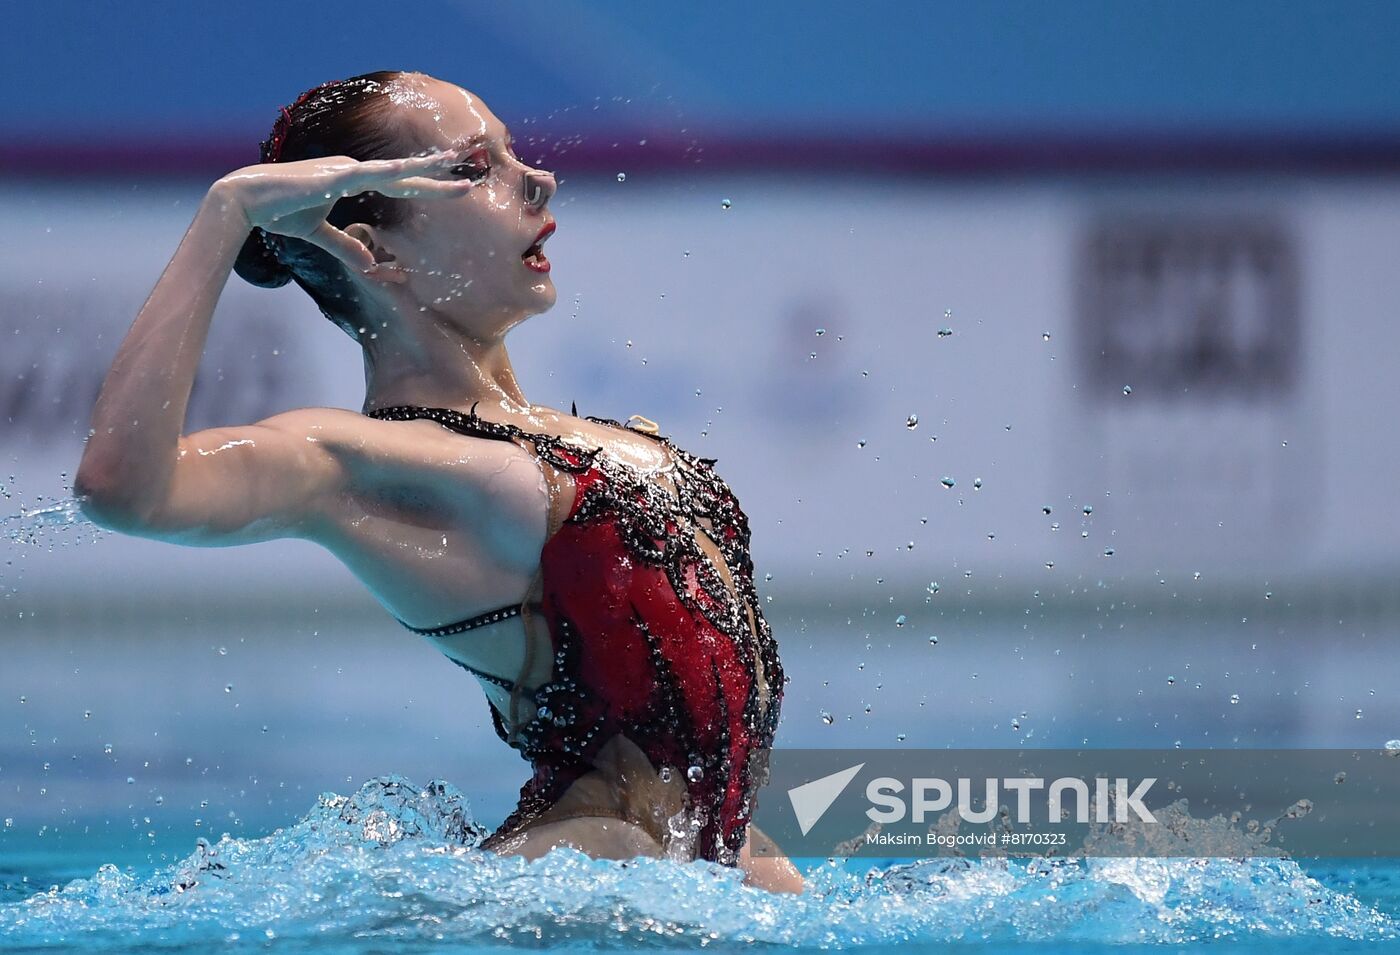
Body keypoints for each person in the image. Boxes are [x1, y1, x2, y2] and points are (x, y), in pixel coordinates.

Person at [73, 71, 802, 894]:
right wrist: (228, 211)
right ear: (379, 250)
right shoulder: (368, 463)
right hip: (572, 886)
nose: (538, 179)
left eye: (514, 153)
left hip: (712, 871)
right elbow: (122, 486)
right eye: (474, 168)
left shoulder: (577, 436)